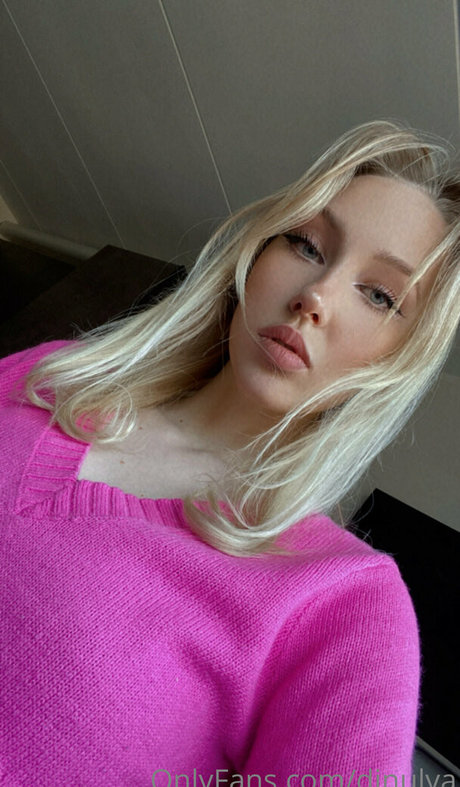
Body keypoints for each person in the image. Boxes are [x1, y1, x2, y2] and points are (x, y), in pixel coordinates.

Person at [1, 120, 459, 786]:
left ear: (401, 360)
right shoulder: (55, 376)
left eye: (380, 294)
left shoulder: (343, 605)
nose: (316, 296)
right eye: (306, 244)